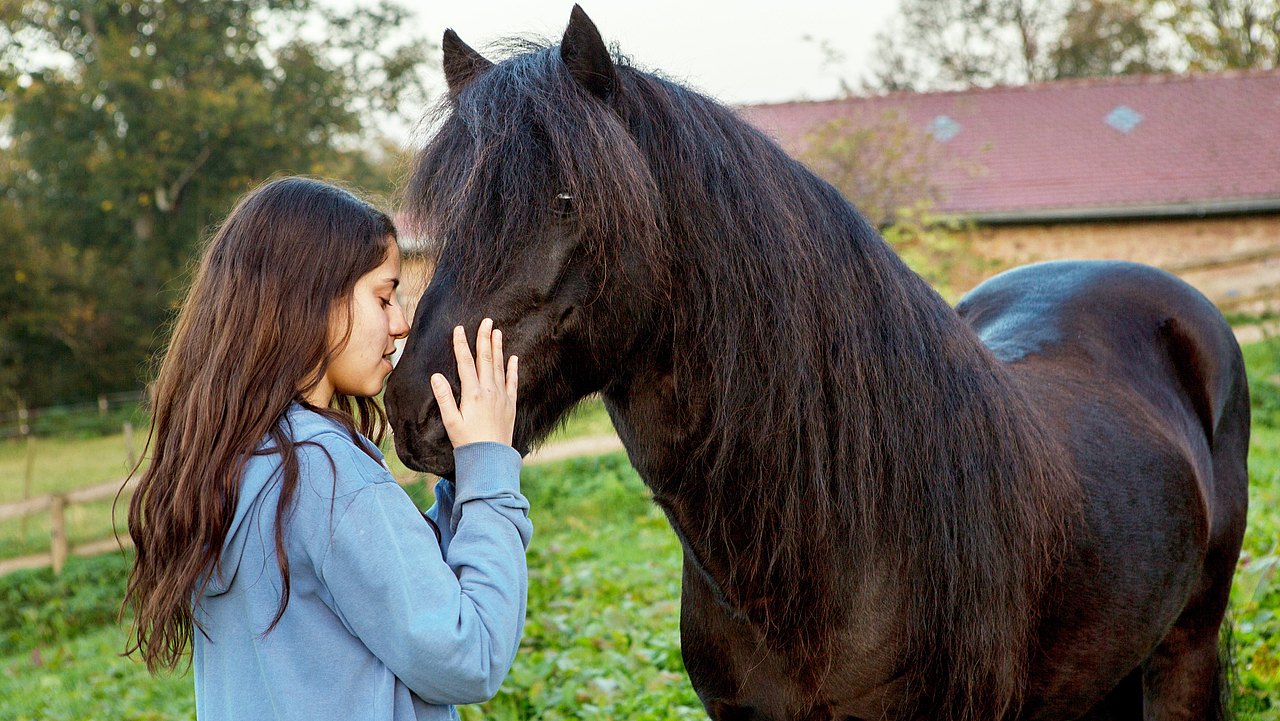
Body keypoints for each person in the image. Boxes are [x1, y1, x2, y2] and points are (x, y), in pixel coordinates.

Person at [122, 176, 531, 721]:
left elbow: (392, 589)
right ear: (313, 298)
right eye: (384, 296)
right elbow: (468, 655)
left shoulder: (235, 460)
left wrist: (460, 483)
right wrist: (489, 472)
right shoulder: (325, 475)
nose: (401, 322)